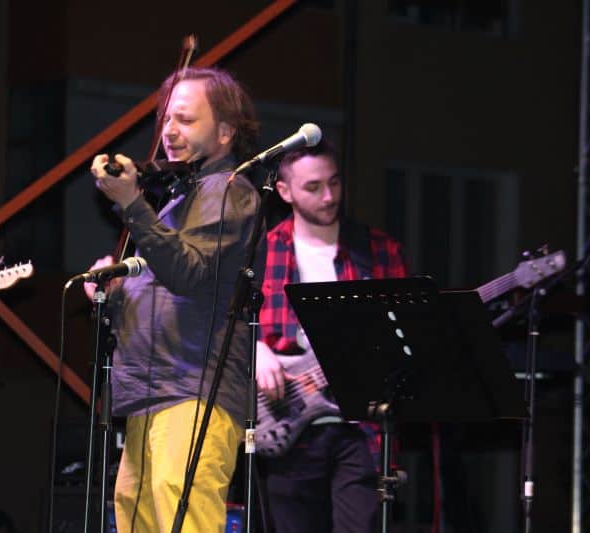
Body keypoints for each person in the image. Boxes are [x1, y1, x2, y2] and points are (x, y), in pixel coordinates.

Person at [85, 67, 263, 532]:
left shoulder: (229, 191)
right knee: (134, 512)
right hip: (150, 392)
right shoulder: (175, 200)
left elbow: (188, 273)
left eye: (185, 119)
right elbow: (161, 294)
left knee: (179, 509)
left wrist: (132, 204)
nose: (169, 130)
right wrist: (113, 293)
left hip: (193, 389)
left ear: (224, 132)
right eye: (166, 119)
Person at [256, 139, 408, 533]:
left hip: (361, 428)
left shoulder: (379, 251)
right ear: (284, 191)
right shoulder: (261, 251)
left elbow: (407, 334)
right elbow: (224, 322)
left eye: (335, 183)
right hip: (286, 423)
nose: (328, 196)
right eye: (313, 187)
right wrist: (253, 349)